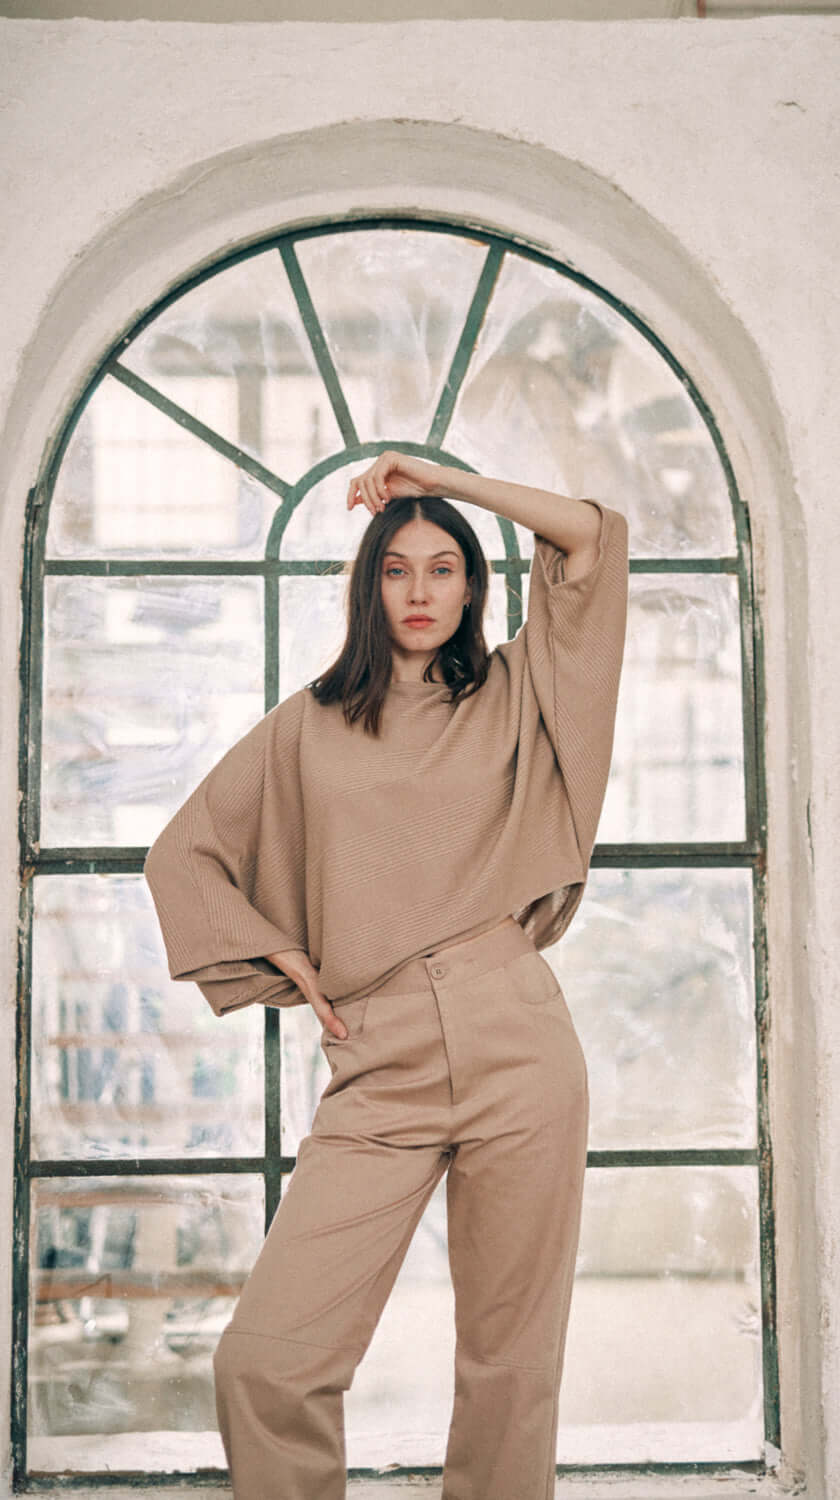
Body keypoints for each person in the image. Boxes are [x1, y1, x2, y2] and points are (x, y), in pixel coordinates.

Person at [143, 451, 629, 1500]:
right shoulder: (308, 726)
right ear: (367, 589)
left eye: (443, 567)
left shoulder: (515, 691)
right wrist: (288, 962)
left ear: (472, 585)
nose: (420, 591)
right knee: (267, 1362)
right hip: (380, 1057)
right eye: (397, 570)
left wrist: (446, 478)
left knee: (509, 1371)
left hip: (516, 1037)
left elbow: (591, 539)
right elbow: (183, 855)